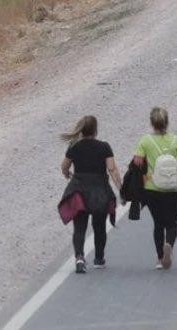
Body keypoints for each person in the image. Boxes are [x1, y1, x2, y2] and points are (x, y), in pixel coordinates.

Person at [58, 115, 122, 274]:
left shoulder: (74, 146)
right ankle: (99, 259)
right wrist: (121, 188)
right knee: (99, 226)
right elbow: (112, 169)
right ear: (95, 130)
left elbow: (64, 166)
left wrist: (67, 174)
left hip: (79, 191)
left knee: (79, 227)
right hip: (99, 191)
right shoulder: (104, 147)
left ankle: (79, 257)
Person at [133, 107, 177, 270]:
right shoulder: (176, 141)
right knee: (172, 224)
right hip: (172, 188)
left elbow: (137, 163)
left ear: (152, 123)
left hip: (152, 188)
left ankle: (159, 258)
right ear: (167, 122)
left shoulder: (145, 141)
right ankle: (169, 244)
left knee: (158, 223)